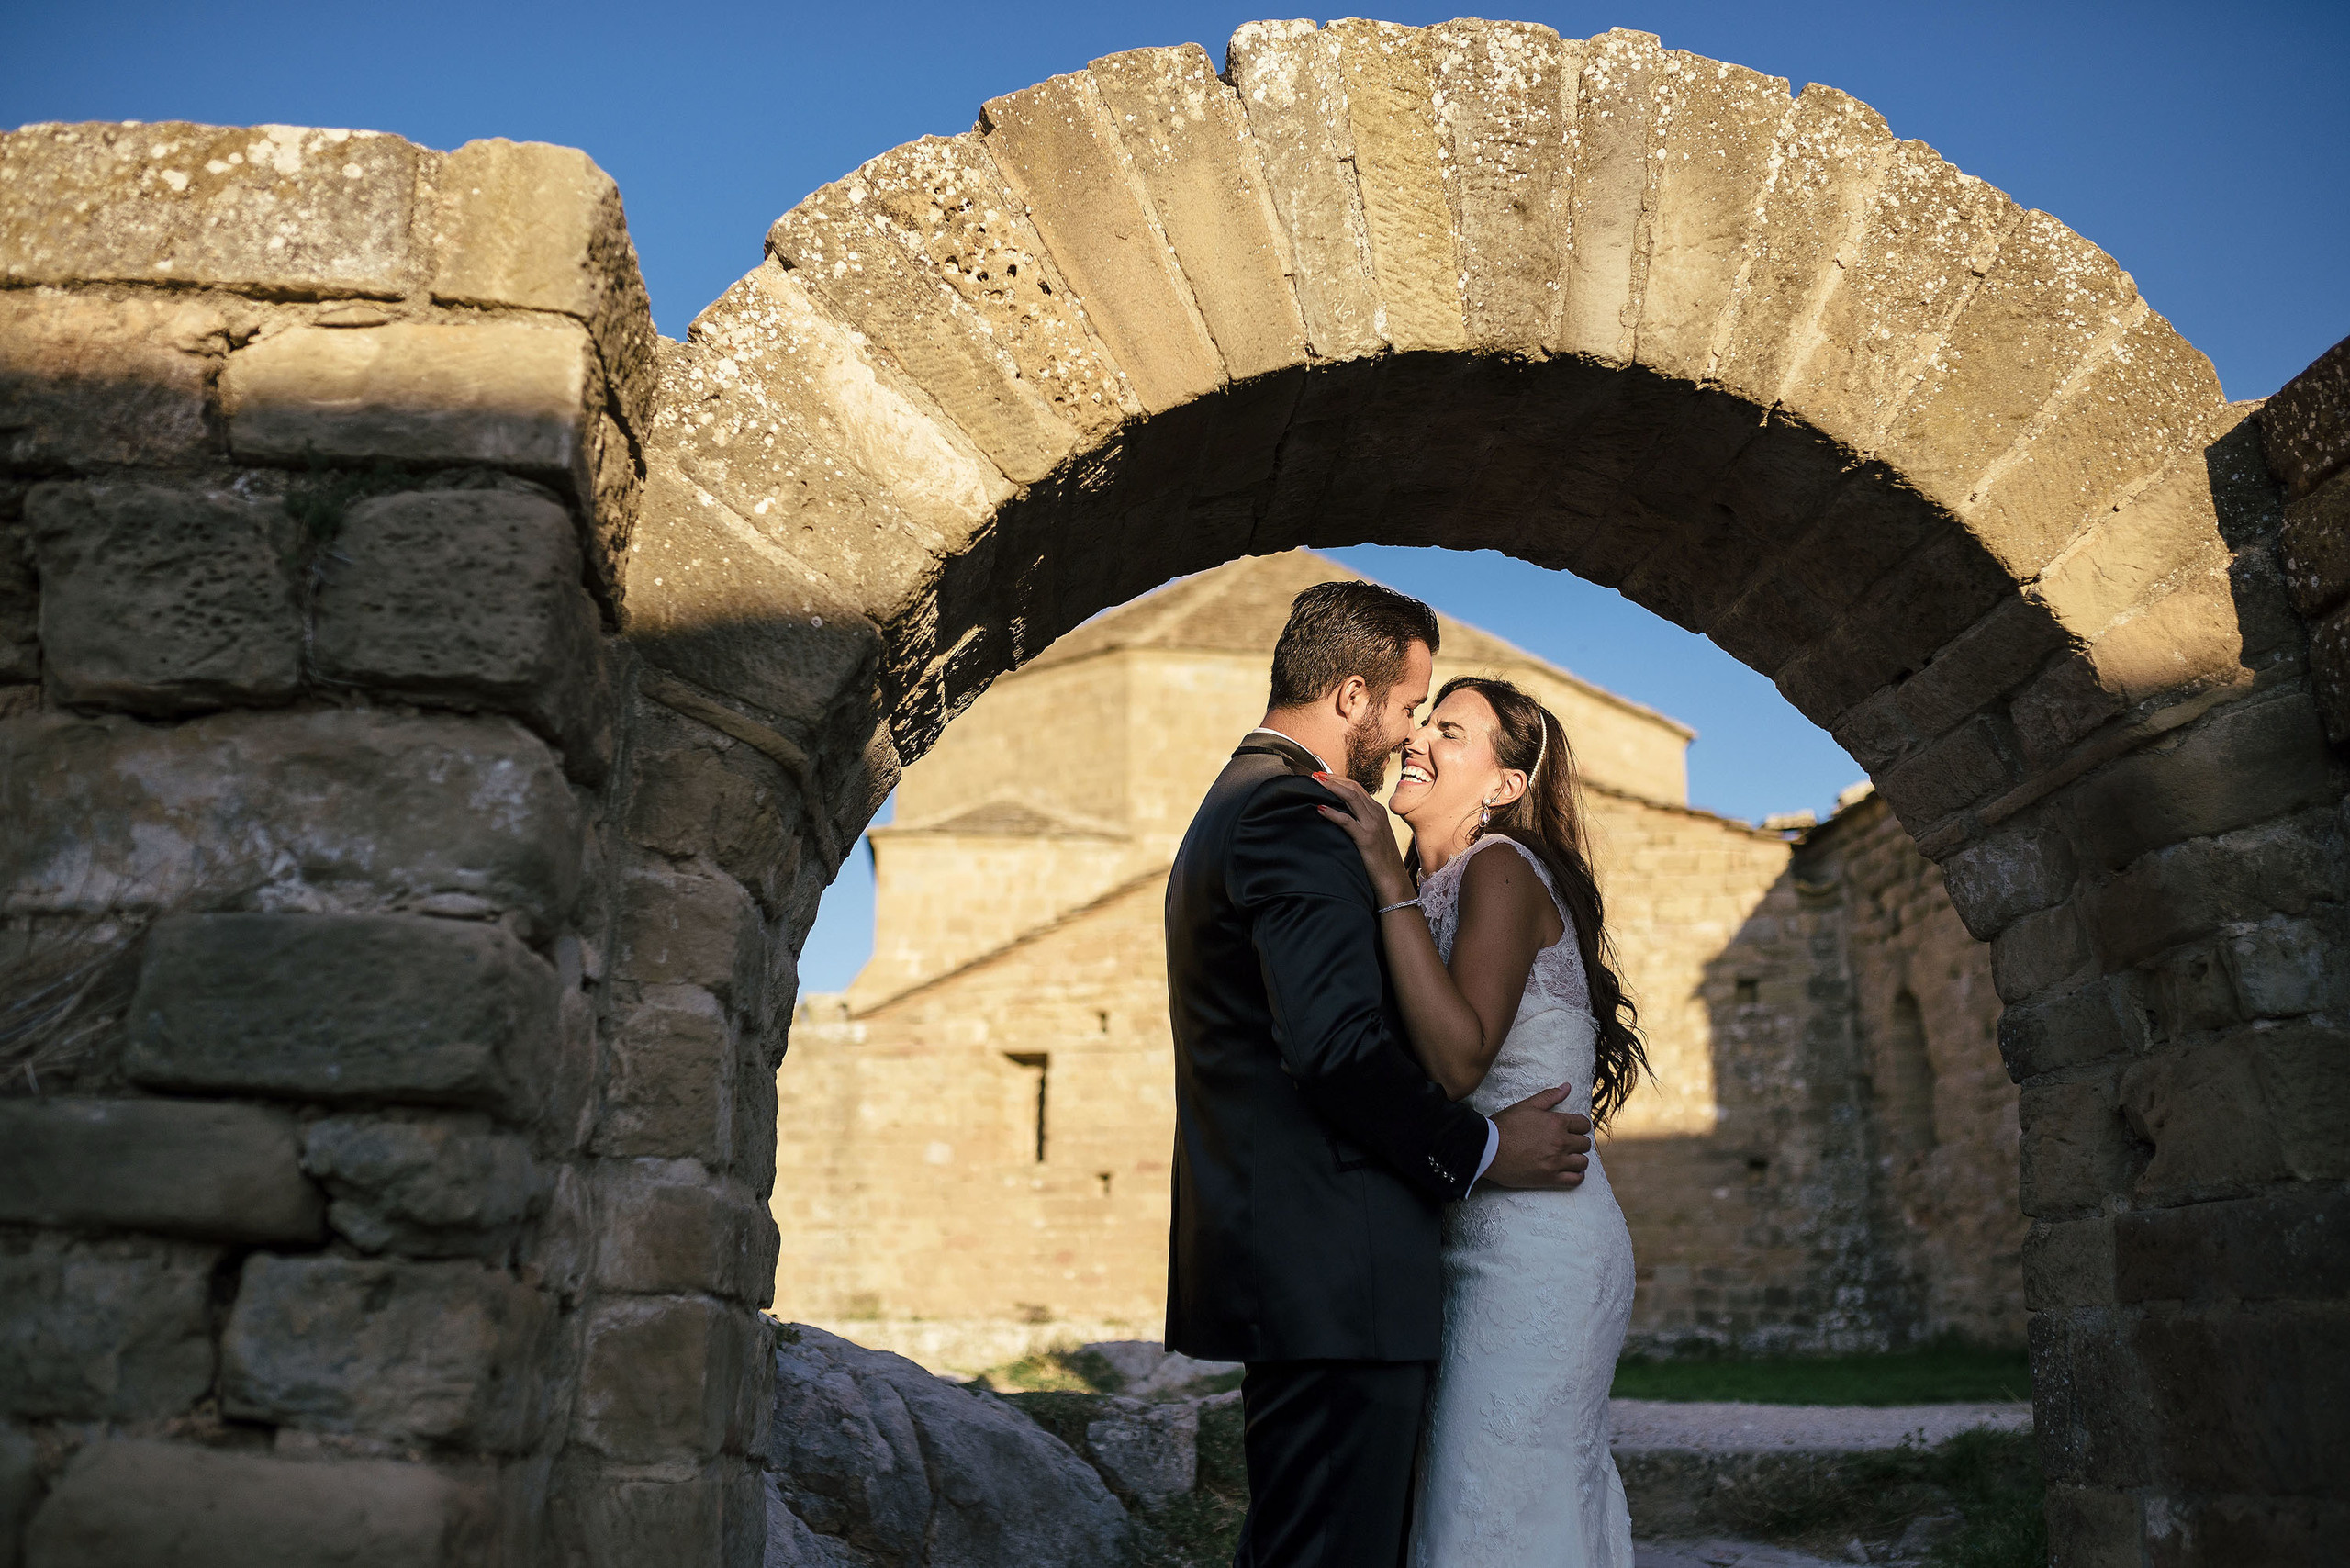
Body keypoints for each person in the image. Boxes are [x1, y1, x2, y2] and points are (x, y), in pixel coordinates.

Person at [1162, 580, 1596, 1568]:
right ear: (1353, 695)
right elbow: (1335, 1048)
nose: (1409, 736)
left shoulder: (1254, 802)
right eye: (1412, 708)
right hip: (1335, 1265)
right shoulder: (1293, 813)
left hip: (1320, 1263)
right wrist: (1484, 1148)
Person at [1315, 673, 1649, 1567]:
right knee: (1481, 1512)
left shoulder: (1498, 868)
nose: (1417, 739)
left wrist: (1385, 875)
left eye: (1451, 732)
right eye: (1423, 723)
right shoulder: (1431, 888)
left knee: (1488, 1518)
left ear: (1504, 785)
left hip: (1535, 1250)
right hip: (1460, 1239)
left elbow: (1459, 1059)